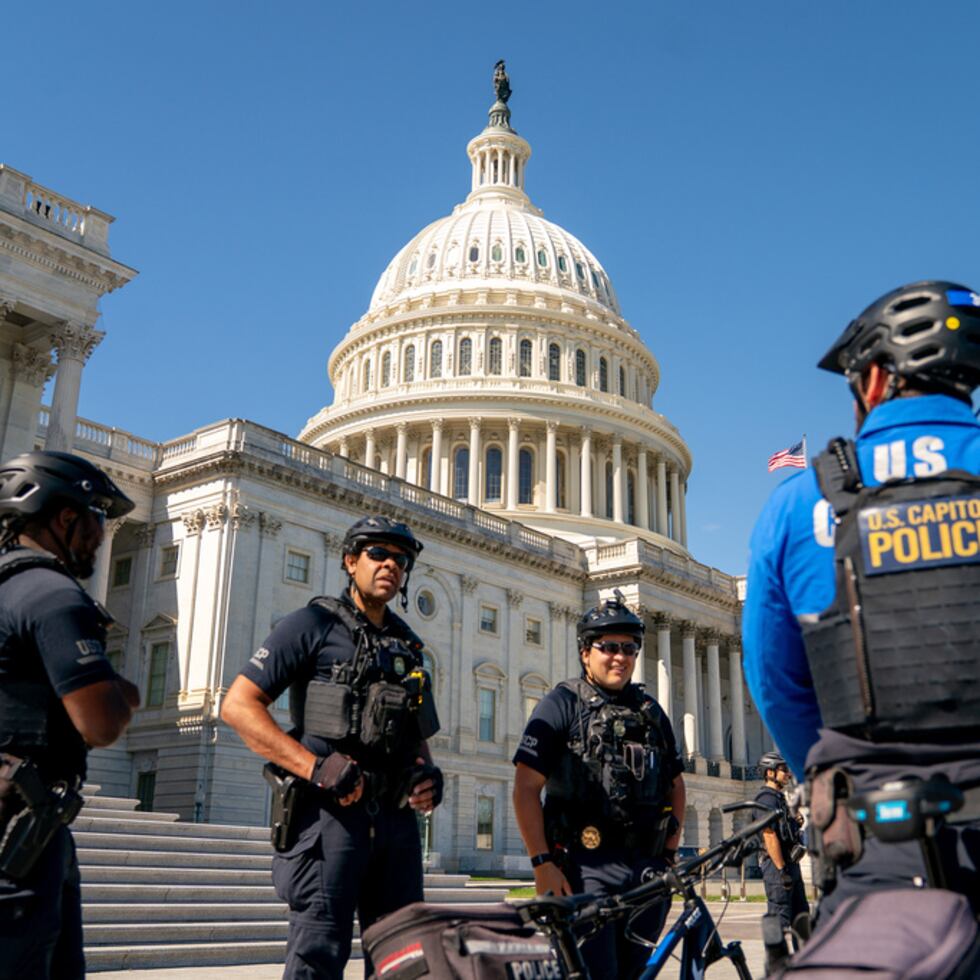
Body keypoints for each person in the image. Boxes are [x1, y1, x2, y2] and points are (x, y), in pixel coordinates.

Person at [743, 280, 980, 922]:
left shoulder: (801, 503)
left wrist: (830, 779)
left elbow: (775, 685)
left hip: (881, 839)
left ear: (873, 381)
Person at [221, 515, 443, 980]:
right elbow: (239, 706)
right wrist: (315, 767)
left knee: (406, 965)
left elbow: (415, 731)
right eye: (378, 554)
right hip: (328, 820)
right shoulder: (311, 624)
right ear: (350, 561)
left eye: (401, 559)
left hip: (395, 826)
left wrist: (426, 773)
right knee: (317, 960)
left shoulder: (408, 645)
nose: (391, 565)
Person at [0, 451, 139, 979]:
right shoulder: (54, 595)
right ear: (65, 517)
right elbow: (101, 723)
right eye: (98, 517)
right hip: (19, 837)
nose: (102, 536)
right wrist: (120, 691)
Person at [512, 591, 685, 980]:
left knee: (635, 973)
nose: (620, 657)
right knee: (594, 973)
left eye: (629, 648)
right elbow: (525, 788)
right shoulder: (562, 704)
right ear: (585, 652)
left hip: (646, 869)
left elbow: (676, 784)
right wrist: (541, 863)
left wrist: (668, 854)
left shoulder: (650, 712)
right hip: (585, 867)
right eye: (608, 647)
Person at [753, 751, 807, 940]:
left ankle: (803, 956)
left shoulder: (778, 798)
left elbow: (785, 831)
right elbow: (769, 836)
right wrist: (782, 870)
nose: (788, 774)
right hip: (778, 868)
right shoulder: (766, 799)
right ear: (770, 773)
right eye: (783, 769)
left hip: (791, 864)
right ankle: (779, 957)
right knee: (780, 920)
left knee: (802, 919)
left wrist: (795, 822)